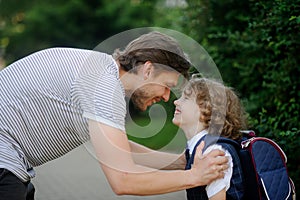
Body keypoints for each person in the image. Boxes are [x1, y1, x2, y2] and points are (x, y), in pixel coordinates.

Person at [0, 31, 228, 200]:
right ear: (148, 70)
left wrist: (182, 163)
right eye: (166, 85)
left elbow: (118, 150)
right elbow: (123, 180)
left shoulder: (101, 71)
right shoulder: (103, 87)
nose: (167, 97)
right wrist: (196, 176)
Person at [172, 77, 247, 199]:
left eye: (185, 98)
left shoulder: (212, 152)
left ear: (207, 110)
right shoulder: (200, 147)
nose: (176, 102)